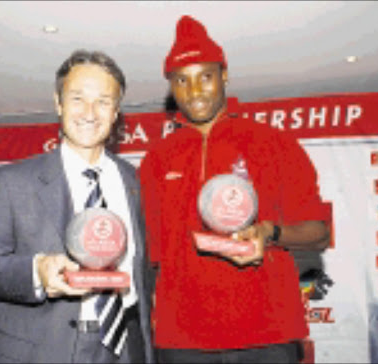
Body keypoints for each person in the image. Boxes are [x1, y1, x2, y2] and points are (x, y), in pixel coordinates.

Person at [139, 15, 330, 364]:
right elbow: (149, 254)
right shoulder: (156, 158)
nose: (194, 91)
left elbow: (318, 231)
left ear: (224, 75)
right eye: (181, 80)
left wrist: (269, 232)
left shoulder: (275, 143)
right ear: (171, 87)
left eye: (205, 77)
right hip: (182, 339)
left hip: (268, 333)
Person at [0, 50, 153, 364]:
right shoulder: (11, 181)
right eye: (77, 98)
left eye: (103, 101)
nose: (90, 113)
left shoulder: (135, 180)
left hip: (126, 346)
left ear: (116, 112)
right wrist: (36, 271)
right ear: (58, 103)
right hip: (43, 350)